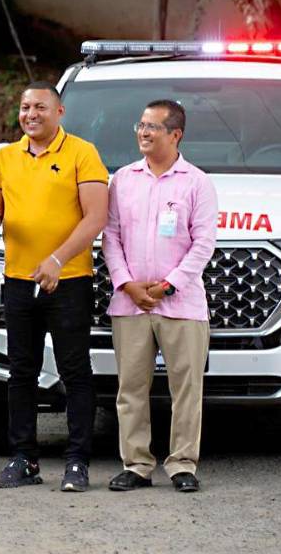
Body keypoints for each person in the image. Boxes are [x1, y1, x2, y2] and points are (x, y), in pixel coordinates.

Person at [0, 82, 108, 492]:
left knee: (75, 371)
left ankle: (76, 462)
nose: (31, 114)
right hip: (18, 280)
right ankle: (24, 459)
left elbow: (96, 218)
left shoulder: (82, 153)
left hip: (68, 282)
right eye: (24, 107)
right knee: (21, 372)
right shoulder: (5, 157)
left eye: (40, 107)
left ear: (60, 112)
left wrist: (57, 259)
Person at [102, 100, 216, 494]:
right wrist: (127, 284)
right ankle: (136, 465)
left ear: (175, 135)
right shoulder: (123, 180)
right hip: (130, 302)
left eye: (153, 127)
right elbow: (110, 237)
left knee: (186, 389)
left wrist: (168, 285)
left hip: (181, 304)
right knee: (130, 388)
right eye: (141, 125)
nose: (144, 132)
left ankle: (183, 464)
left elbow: (203, 244)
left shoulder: (196, 182)